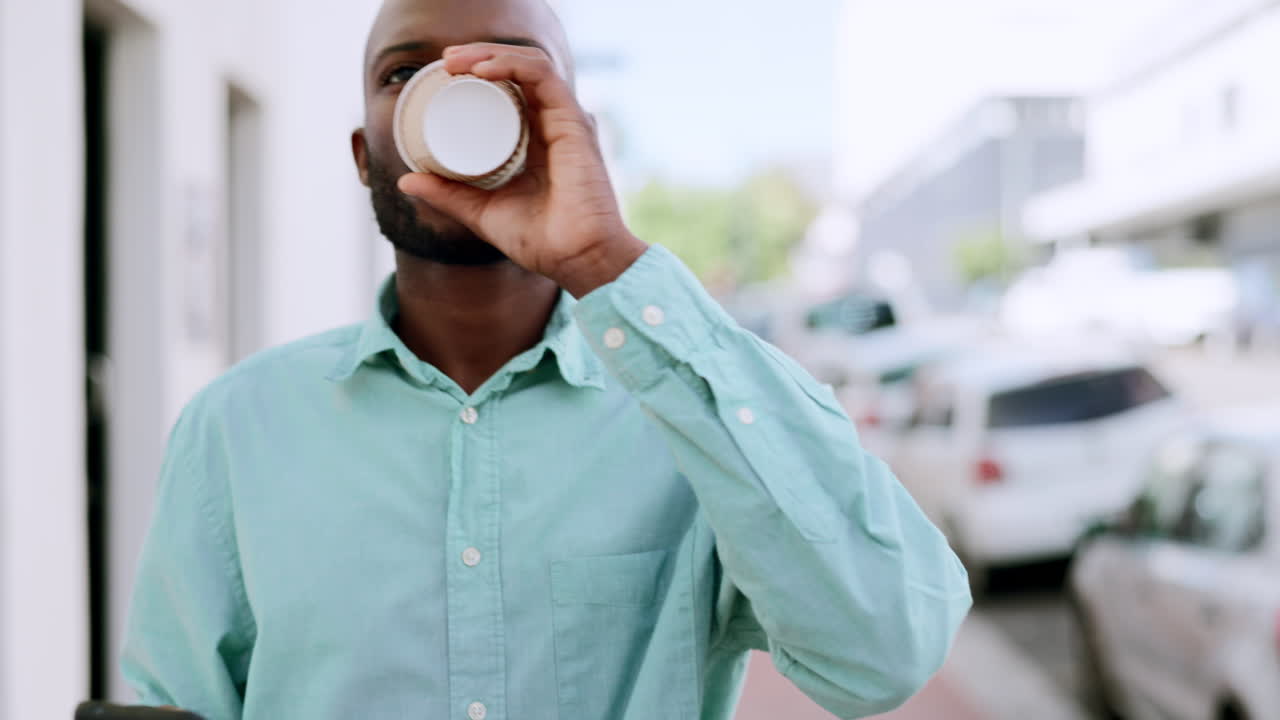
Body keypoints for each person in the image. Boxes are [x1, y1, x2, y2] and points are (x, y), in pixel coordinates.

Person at [121, 1, 971, 718]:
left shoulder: (696, 414)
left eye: (511, 71)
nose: (455, 93)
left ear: (576, 137)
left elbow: (885, 652)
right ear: (361, 153)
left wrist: (611, 264)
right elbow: (176, 699)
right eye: (402, 74)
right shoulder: (239, 425)